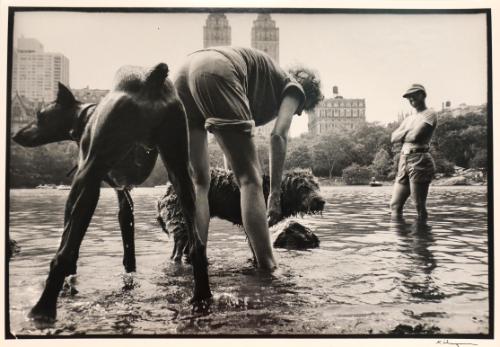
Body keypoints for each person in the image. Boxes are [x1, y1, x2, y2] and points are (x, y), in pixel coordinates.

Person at [174, 46, 322, 270]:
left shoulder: (262, 83)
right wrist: (274, 193)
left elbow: (230, 142)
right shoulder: (294, 87)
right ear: (306, 96)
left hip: (184, 72)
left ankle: (197, 261)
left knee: (200, 182)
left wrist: (234, 176)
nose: (298, 113)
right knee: (251, 180)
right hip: (218, 69)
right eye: (302, 109)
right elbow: (278, 136)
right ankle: (268, 267)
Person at [390, 84, 438, 221]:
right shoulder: (409, 119)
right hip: (404, 159)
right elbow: (393, 138)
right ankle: (401, 241)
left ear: (422, 95)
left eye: (413, 95)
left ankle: (422, 240)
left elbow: (415, 137)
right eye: (408, 97)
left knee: (418, 205)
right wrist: (408, 131)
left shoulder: (430, 114)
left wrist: (404, 133)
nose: (410, 99)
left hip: (419, 159)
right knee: (394, 205)